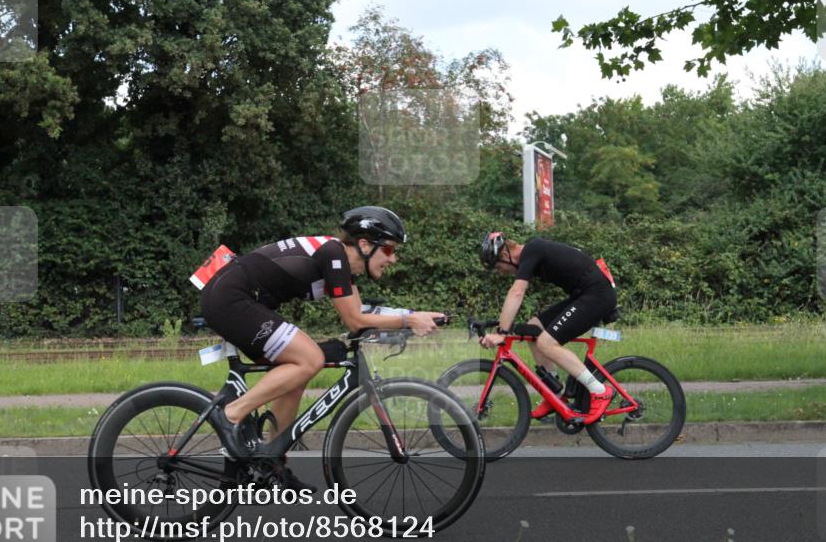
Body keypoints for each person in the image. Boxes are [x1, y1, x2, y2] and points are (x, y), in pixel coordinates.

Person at [200, 206, 445, 490]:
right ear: (364, 244)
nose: (393, 258)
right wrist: (409, 319)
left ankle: (271, 462)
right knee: (309, 358)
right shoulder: (334, 255)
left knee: (296, 372)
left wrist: (411, 318)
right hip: (231, 298)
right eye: (389, 250)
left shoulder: (341, 267)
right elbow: (354, 319)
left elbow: (360, 316)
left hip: (238, 297)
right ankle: (231, 415)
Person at [478, 232, 618, 421]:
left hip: (597, 295)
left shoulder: (532, 249)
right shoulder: (531, 254)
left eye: (497, 266)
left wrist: (502, 332)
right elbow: (516, 296)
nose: (499, 271)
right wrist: (502, 327)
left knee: (546, 342)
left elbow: (517, 292)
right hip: (584, 294)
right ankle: (555, 395)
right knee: (533, 327)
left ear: (504, 255)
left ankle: (599, 390)